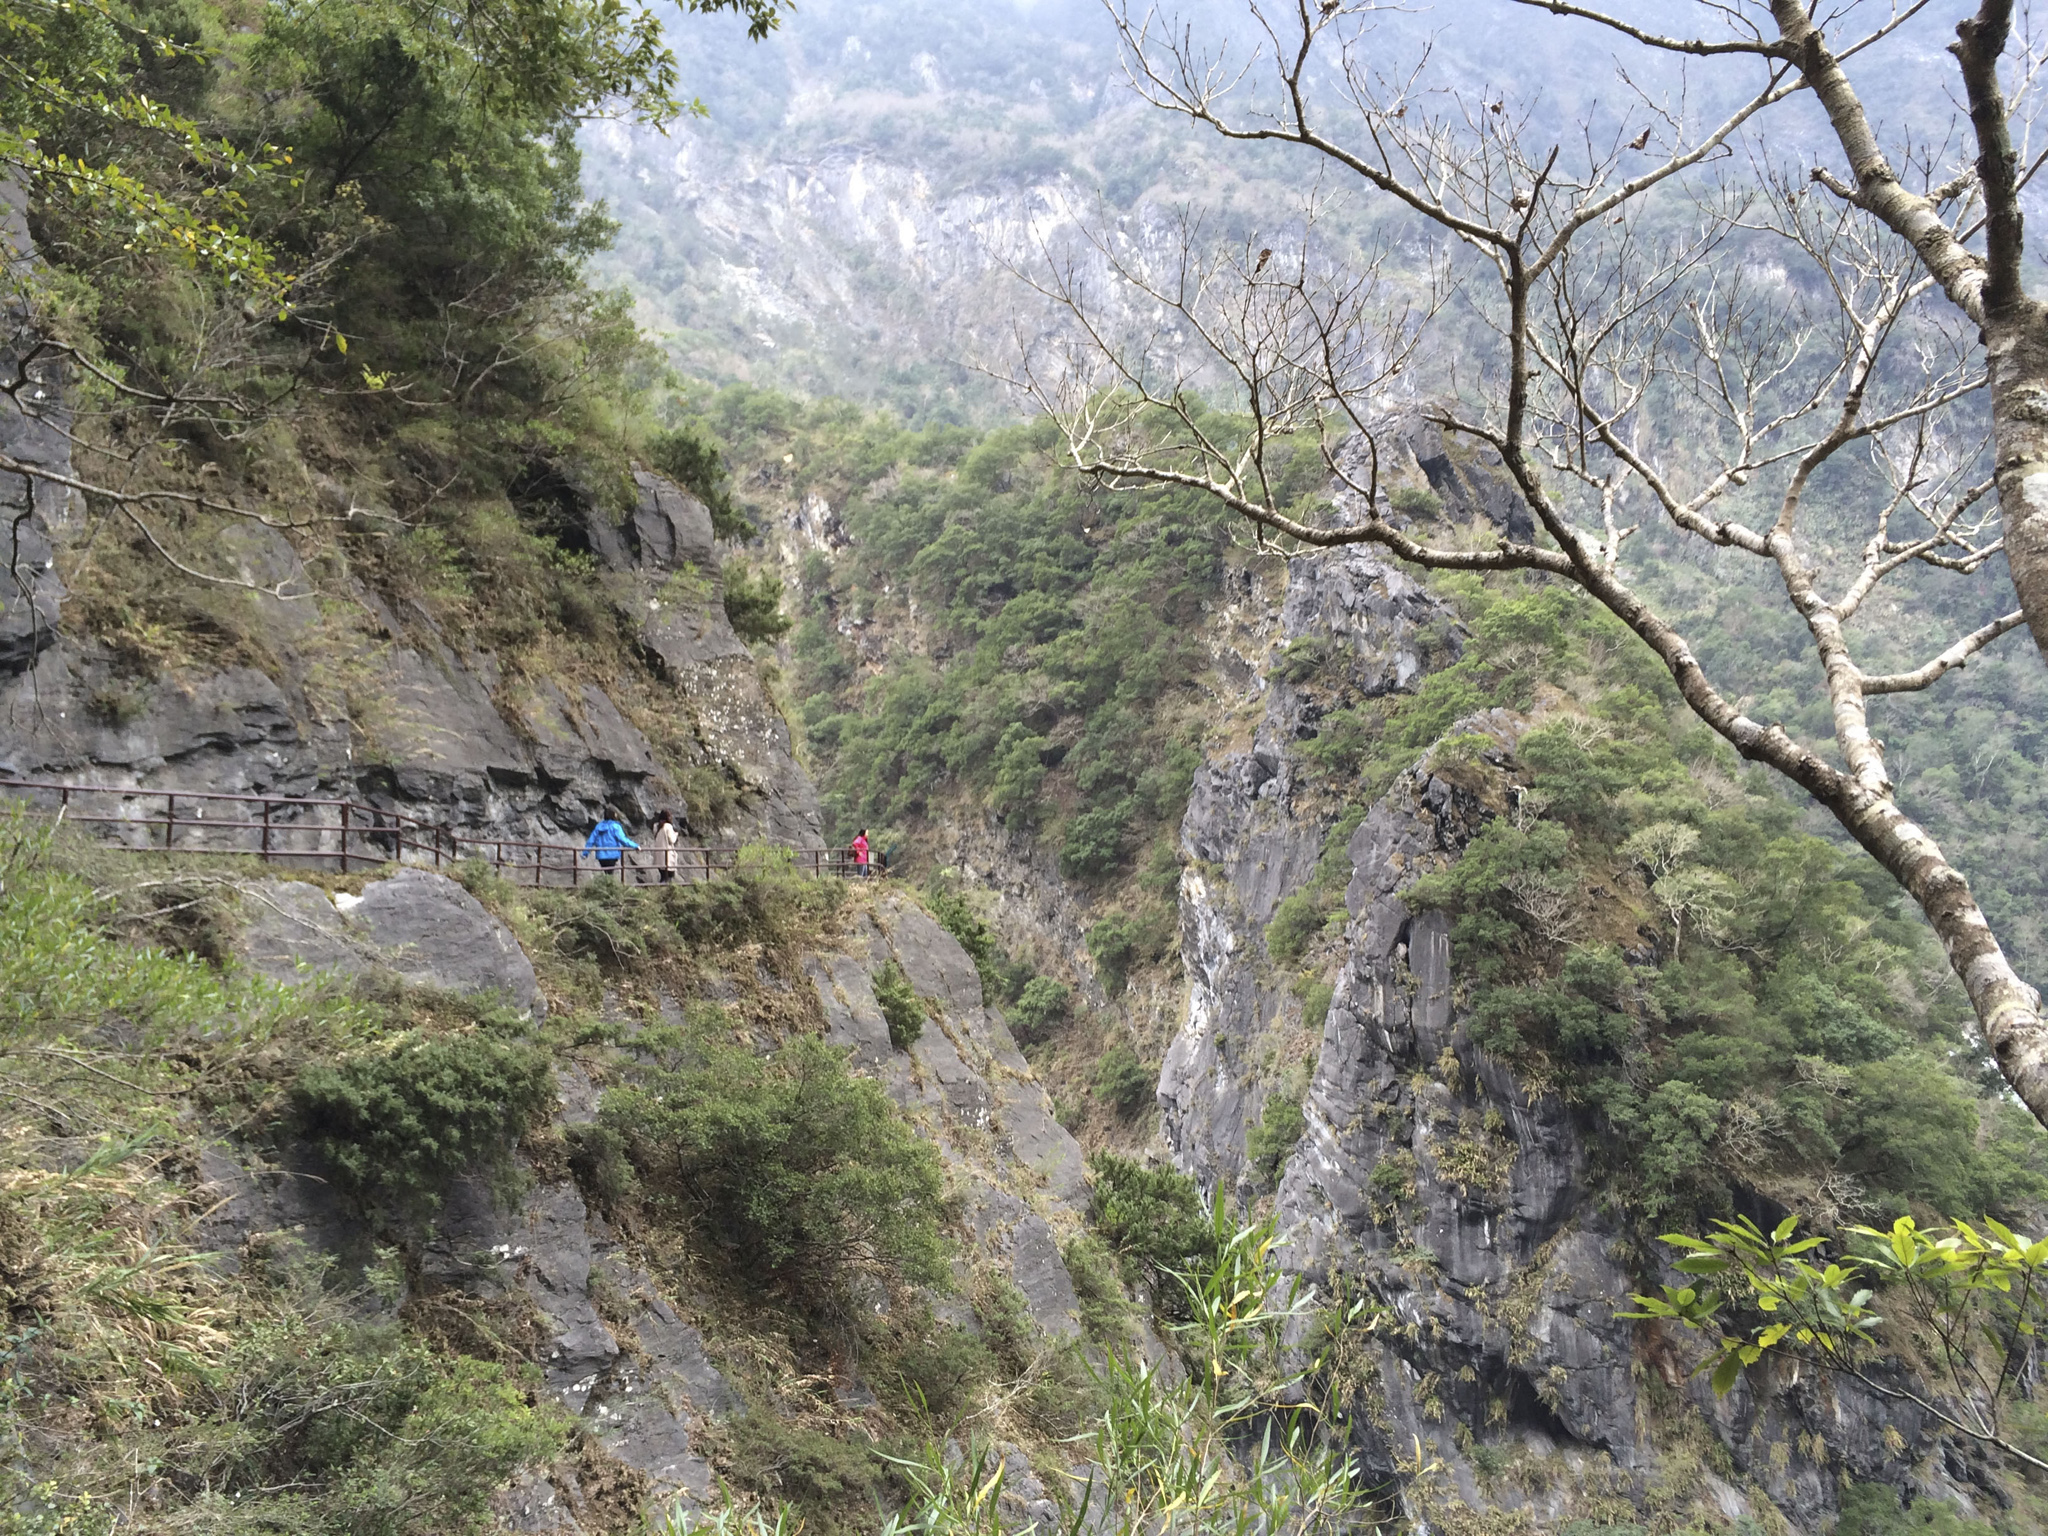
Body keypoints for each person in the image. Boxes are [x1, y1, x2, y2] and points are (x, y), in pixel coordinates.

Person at [584, 808, 638, 880]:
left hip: (601, 856)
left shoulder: (599, 826)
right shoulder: (615, 826)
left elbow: (591, 840)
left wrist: (585, 853)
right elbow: (623, 839)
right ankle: (609, 885)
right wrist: (635, 846)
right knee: (609, 873)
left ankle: (606, 884)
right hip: (612, 855)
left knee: (607, 873)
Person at [652, 809, 680, 884]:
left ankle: (661, 886)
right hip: (667, 855)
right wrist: (676, 834)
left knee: (663, 876)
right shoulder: (668, 826)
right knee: (669, 876)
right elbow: (672, 840)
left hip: (659, 855)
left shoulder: (656, 826)